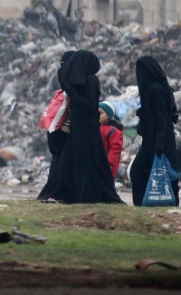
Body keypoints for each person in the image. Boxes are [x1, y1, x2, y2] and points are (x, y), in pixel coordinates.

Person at [50, 50, 123, 204]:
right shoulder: (82, 82)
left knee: (83, 166)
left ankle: (84, 199)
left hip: (86, 130)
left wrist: (72, 93)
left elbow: (90, 106)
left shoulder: (91, 81)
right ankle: (75, 197)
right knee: (66, 166)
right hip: (78, 129)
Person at [130, 56, 181, 206]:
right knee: (161, 172)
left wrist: (160, 143)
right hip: (155, 139)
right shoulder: (158, 88)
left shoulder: (155, 90)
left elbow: (162, 118)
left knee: (142, 172)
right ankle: (149, 204)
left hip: (158, 140)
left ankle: (163, 204)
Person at [37, 50, 75, 201]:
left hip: (63, 128)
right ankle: (56, 193)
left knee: (60, 163)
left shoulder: (71, 80)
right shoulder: (66, 81)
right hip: (60, 129)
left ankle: (58, 193)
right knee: (59, 162)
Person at [99, 102, 123, 181]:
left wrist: (110, 164)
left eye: (100, 113)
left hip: (108, 167)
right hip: (98, 166)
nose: (97, 115)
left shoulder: (114, 131)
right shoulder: (98, 128)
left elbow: (115, 149)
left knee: (108, 188)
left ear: (109, 115)